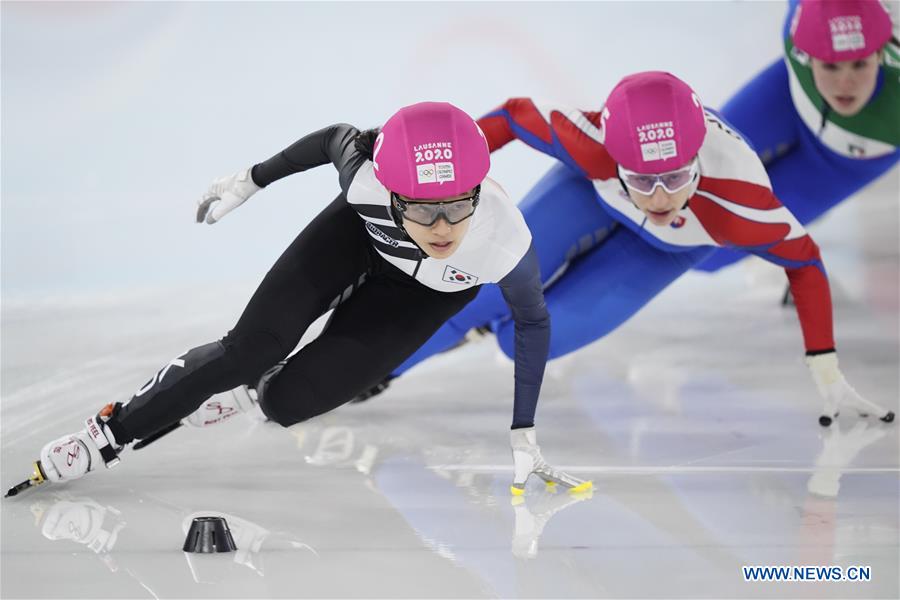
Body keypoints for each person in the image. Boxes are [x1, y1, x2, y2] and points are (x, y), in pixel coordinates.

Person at [24, 102, 590, 497]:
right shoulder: (365, 178)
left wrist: (523, 431)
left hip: (421, 297)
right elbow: (331, 136)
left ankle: (252, 395)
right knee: (248, 349)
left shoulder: (503, 240)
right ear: (390, 192)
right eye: (420, 208)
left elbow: (534, 323)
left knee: (288, 404)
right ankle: (108, 432)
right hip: (356, 241)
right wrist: (252, 179)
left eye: (458, 205)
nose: (441, 228)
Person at [364, 72, 895, 428]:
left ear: (698, 163)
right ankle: (378, 365)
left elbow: (804, 263)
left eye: (674, 176)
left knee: (526, 342)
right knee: (477, 294)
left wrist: (828, 372)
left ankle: (477, 330)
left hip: (674, 246)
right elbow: (509, 118)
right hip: (589, 194)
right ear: (612, 153)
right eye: (642, 179)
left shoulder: (739, 201)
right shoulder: (588, 141)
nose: (660, 197)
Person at [697, 0, 899, 272]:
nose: (845, 83)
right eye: (831, 66)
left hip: (841, 165)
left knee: (707, 252)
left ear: (879, 55)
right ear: (807, 55)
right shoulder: (799, 22)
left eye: (859, 65)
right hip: (788, 96)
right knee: (697, 165)